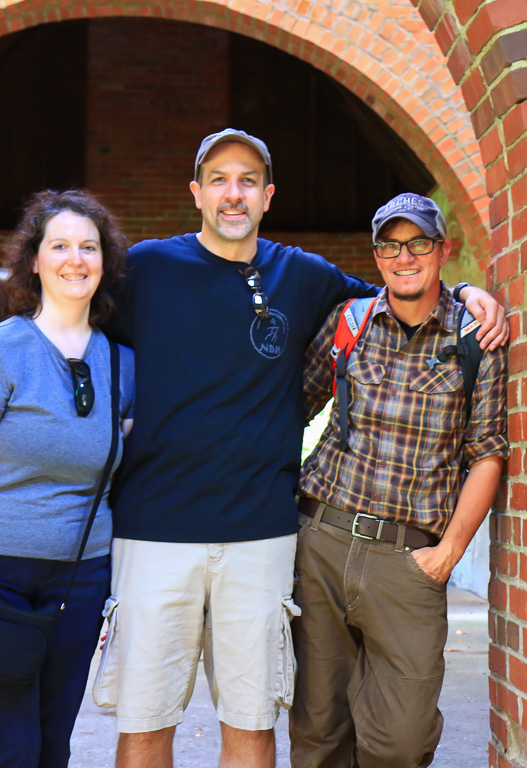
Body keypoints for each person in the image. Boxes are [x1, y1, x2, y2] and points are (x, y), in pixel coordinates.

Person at [97, 130, 508, 768]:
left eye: (248, 181)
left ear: (267, 196)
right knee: (148, 723)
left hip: (262, 536)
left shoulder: (305, 276)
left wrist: (471, 295)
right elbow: (73, 323)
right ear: (197, 192)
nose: (233, 193)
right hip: (157, 532)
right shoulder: (148, 267)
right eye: (219, 179)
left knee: (255, 722)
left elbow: (403, 297)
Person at [289, 193, 509, 768]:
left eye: (417, 243)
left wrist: (447, 555)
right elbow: (288, 409)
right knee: (318, 730)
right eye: (390, 244)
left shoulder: (473, 340)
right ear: (377, 254)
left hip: (409, 561)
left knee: (402, 741)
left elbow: (487, 454)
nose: (403, 256)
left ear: (443, 250)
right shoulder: (351, 323)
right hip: (323, 541)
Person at [0, 189, 135, 768]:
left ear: (104, 262)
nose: (74, 259)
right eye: (59, 245)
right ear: (34, 260)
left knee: (54, 743)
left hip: (82, 578)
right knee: (14, 746)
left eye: (89, 246)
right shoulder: (6, 348)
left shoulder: (123, 364)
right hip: (3, 571)